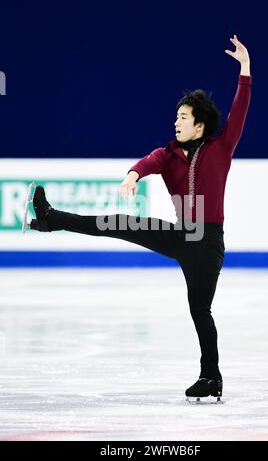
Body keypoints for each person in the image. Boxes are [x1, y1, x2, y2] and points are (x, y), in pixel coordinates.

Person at [29, 34, 252, 402]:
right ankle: (50, 217)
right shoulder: (169, 154)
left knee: (200, 310)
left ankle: (211, 377)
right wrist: (134, 174)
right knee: (115, 223)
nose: (176, 122)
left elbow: (239, 112)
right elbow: (150, 160)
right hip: (181, 233)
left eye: (183, 117)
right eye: (175, 116)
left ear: (199, 125)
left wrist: (245, 70)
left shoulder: (220, 147)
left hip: (206, 241)